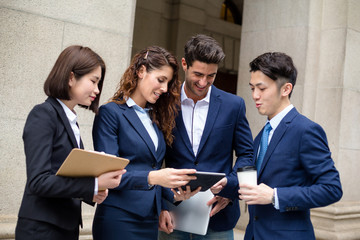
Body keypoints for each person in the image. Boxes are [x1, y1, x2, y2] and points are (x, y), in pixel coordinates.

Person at [15, 45, 125, 240]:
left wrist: (91, 193)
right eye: (93, 81)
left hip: (65, 228)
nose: (97, 90)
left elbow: (62, 175)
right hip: (41, 230)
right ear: (71, 77)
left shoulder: (69, 119)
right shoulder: (43, 115)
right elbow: (38, 181)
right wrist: (93, 184)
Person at [91, 46, 197, 240]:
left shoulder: (155, 119)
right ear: (141, 72)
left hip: (149, 220)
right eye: (161, 80)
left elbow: (152, 167)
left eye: (168, 83)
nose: (165, 89)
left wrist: (171, 198)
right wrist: (154, 177)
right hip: (119, 219)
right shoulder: (111, 114)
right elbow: (109, 175)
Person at [158, 34, 254, 240]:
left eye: (211, 76)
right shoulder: (163, 102)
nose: (203, 82)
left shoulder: (234, 105)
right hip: (172, 213)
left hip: (218, 216)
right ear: (184, 64)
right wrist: (160, 202)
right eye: (198, 74)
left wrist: (230, 188)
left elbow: (247, 155)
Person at [240, 52, 343, 239]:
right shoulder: (261, 135)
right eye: (252, 88)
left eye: (261, 88)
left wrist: (274, 196)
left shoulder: (306, 130)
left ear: (286, 89)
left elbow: (332, 189)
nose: (255, 95)